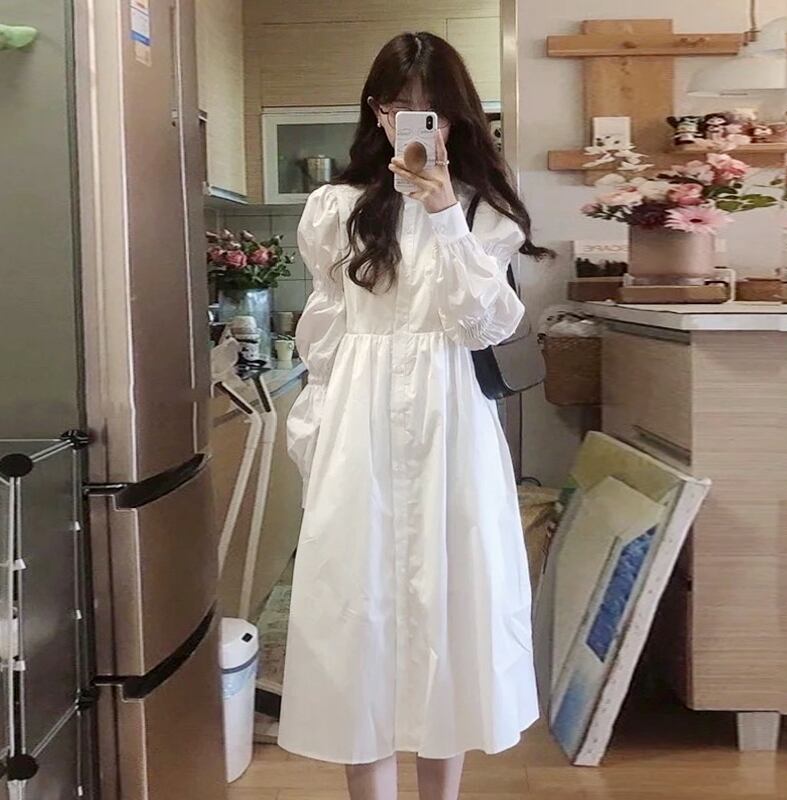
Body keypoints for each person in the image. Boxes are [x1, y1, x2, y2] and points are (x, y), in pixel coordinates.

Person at [279, 31, 544, 800]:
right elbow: (323, 339)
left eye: (437, 112)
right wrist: (314, 442)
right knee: (356, 617)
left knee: (450, 609)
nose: (419, 125)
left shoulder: (485, 213)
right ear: (377, 112)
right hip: (356, 426)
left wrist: (444, 214)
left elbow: (483, 324)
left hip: (451, 427)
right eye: (402, 108)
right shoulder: (333, 209)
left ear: (460, 118)